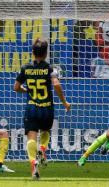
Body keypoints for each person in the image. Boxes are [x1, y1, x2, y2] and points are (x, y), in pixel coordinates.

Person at [14, 38, 71, 180]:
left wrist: (26, 90)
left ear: (33, 53)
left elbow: (16, 87)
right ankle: (43, 149)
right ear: (46, 53)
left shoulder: (25, 68)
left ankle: (34, 167)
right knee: (45, 132)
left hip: (32, 108)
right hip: (47, 108)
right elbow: (56, 85)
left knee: (31, 138)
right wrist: (64, 102)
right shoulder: (49, 68)